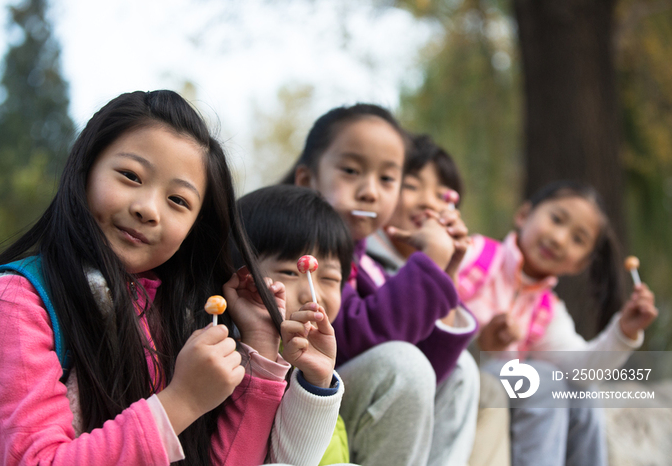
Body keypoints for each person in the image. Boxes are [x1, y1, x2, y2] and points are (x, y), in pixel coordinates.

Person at [0, 90, 340, 466]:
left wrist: (261, 342)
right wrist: (180, 402)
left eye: (178, 201)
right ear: (85, 169)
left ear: (194, 230)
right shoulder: (14, 301)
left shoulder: (180, 317)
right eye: (131, 176)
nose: (148, 209)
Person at [282, 103, 478, 465]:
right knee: (403, 363)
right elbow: (354, 339)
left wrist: (445, 267)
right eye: (352, 171)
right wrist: (430, 260)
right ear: (307, 179)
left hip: (345, 396)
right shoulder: (295, 246)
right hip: (302, 404)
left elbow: (431, 368)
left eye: (387, 179)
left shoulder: (364, 260)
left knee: (463, 370)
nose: (371, 191)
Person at [458, 179, 659, 466]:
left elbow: (583, 370)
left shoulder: (547, 312)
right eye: (556, 219)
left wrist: (624, 331)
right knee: (542, 380)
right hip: (459, 371)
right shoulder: (473, 254)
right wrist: (480, 344)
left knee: (583, 396)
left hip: (507, 394)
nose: (560, 238)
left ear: (579, 265)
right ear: (524, 215)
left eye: (578, 239)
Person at [366, 133, 511, 466]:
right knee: (464, 369)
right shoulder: (364, 258)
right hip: (371, 392)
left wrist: (450, 267)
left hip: (413, 388)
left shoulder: (426, 264)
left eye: (442, 194)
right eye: (412, 186)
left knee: (487, 388)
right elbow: (396, 349)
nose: (428, 203)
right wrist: (433, 260)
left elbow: (440, 357)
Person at [236, 185, 355, 465]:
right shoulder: (234, 358)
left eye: (329, 278)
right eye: (290, 272)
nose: (311, 293)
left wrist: (318, 382)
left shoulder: (319, 359)